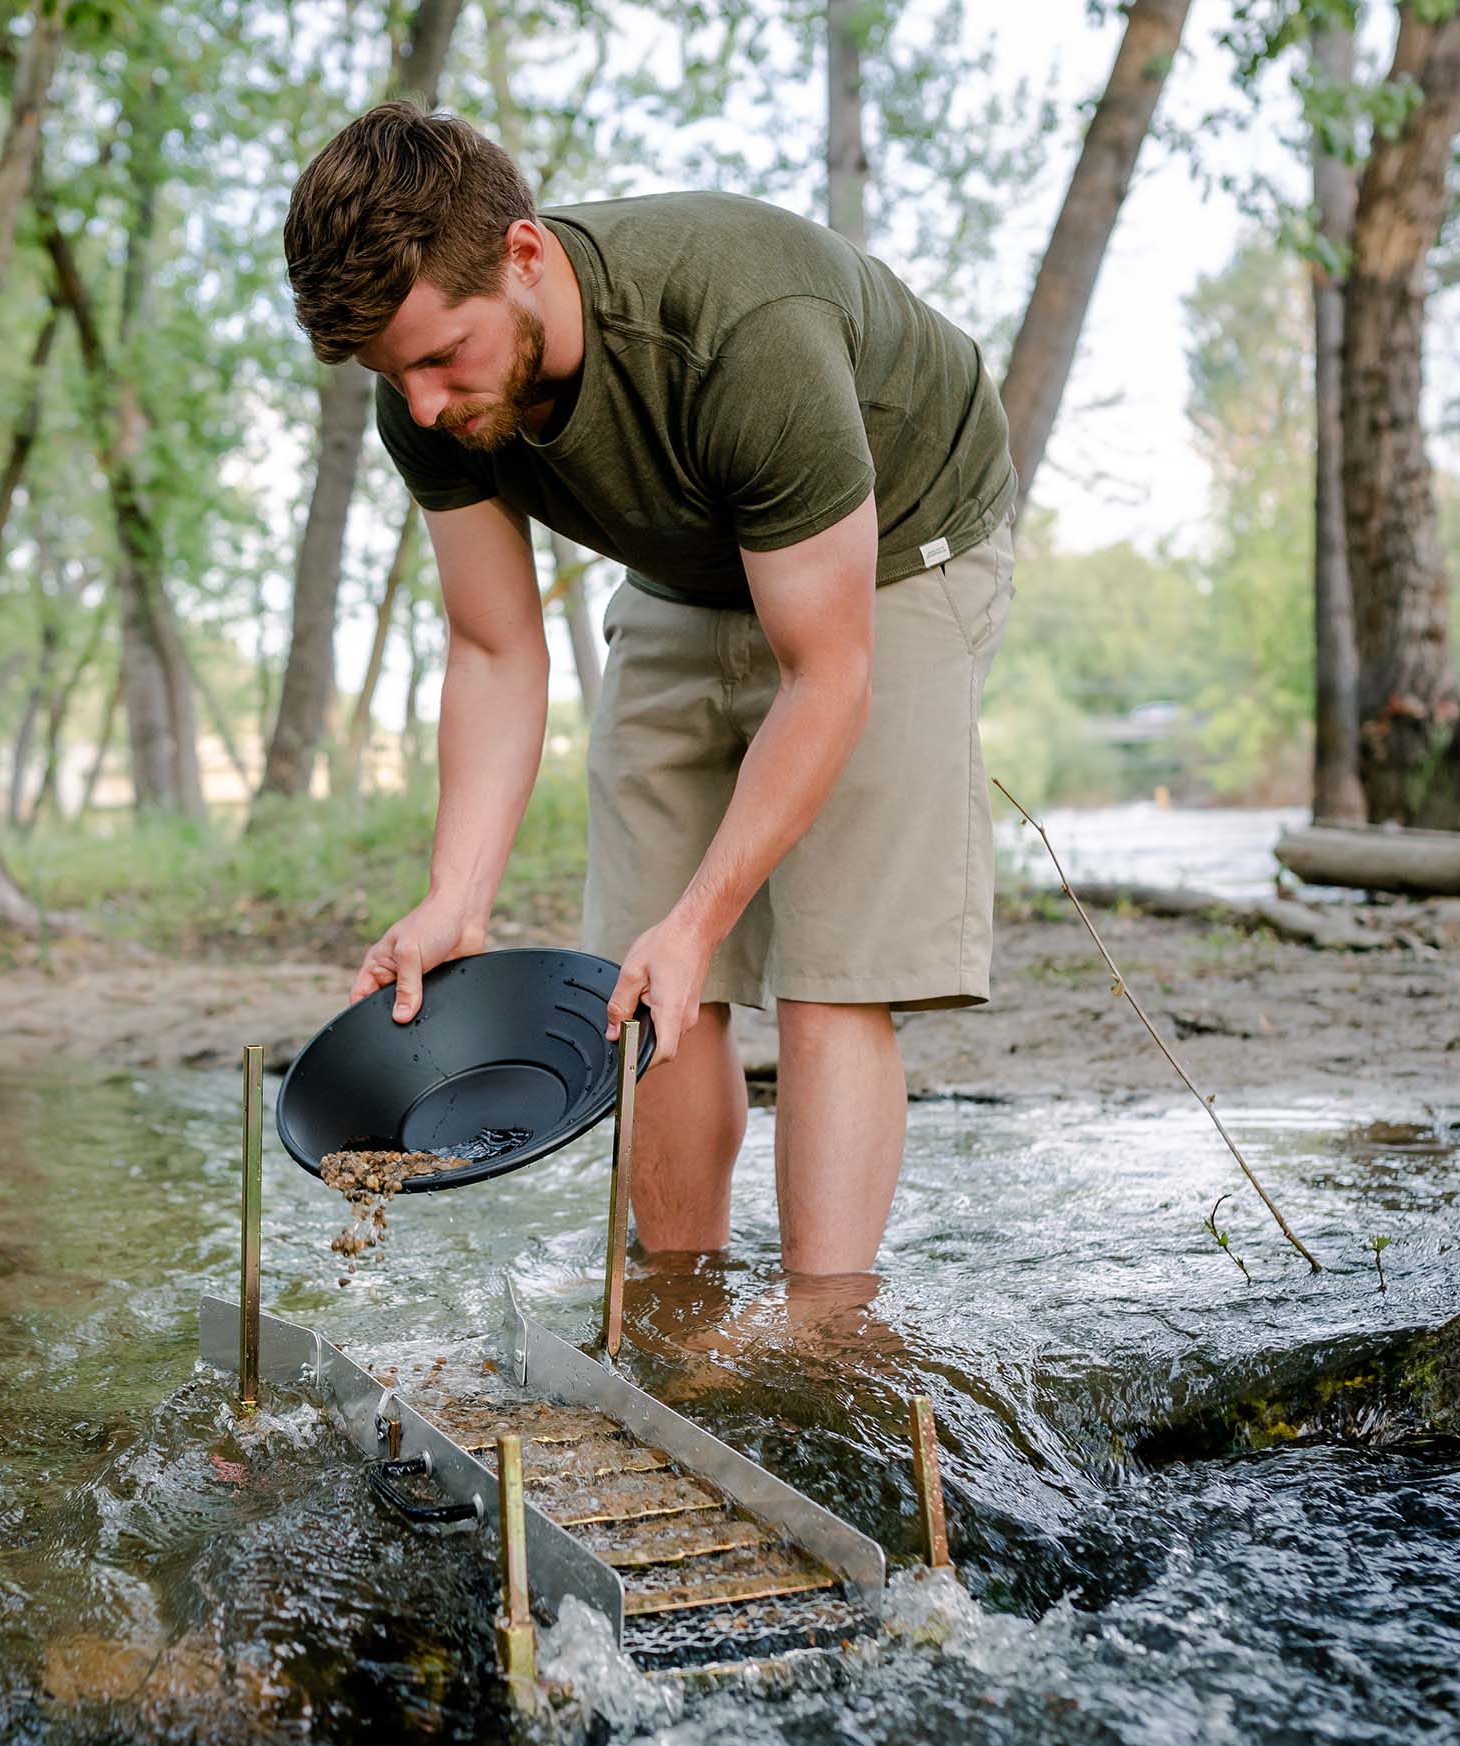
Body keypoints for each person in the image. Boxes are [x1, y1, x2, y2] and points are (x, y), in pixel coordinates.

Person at [284, 103, 1016, 1277]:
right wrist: (455, 898)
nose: (420, 403)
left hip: (893, 551)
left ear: (525, 256)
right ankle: (683, 1323)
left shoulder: (744, 331)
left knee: (828, 977)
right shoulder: (419, 391)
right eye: (390, 373)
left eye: (438, 358)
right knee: (645, 982)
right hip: (688, 562)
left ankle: (824, 1349)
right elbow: (491, 648)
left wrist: (707, 915)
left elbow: (827, 676)